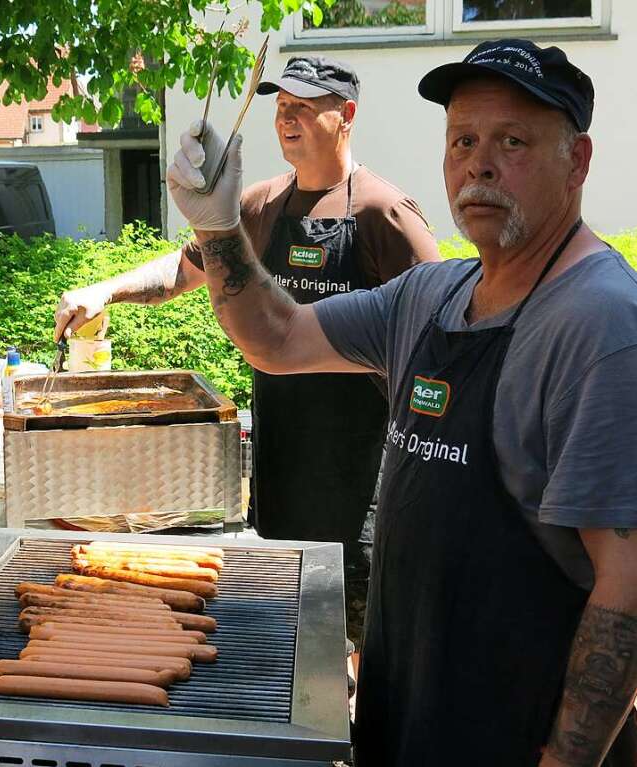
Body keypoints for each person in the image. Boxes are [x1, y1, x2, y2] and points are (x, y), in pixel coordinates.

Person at [167, 39, 637, 766]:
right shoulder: (432, 295)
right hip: (405, 710)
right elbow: (279, 337)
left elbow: (627, 577)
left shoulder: (598, 322)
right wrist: (216, 225)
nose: (478, 162)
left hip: (510, 736)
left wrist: (567, 759)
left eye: (512, 142)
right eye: (462, 140)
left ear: (575, 161)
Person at [55, 56, 440, 650]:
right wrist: (104, 289)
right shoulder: (259, 206)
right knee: (289, 634)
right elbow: (183, 271)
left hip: (360, 473)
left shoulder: (383, 214)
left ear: (348, 116)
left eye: (305, 108)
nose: (288, 119)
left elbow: (438, 340)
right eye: (281, 107)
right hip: (283, 463)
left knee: (362, 638)